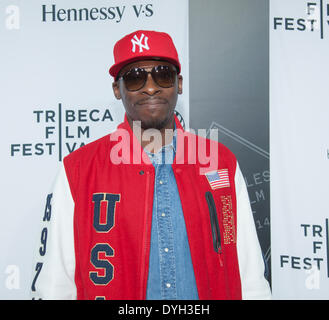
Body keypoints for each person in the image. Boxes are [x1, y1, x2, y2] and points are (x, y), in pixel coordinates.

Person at [31, 30, 271, 300]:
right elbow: (56, 283)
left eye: (163, 74)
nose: (150, 86)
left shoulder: (220, 162)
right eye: (134, 78)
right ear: (116, 89)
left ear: (178, 83)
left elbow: (248, 271)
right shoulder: (78, 170)